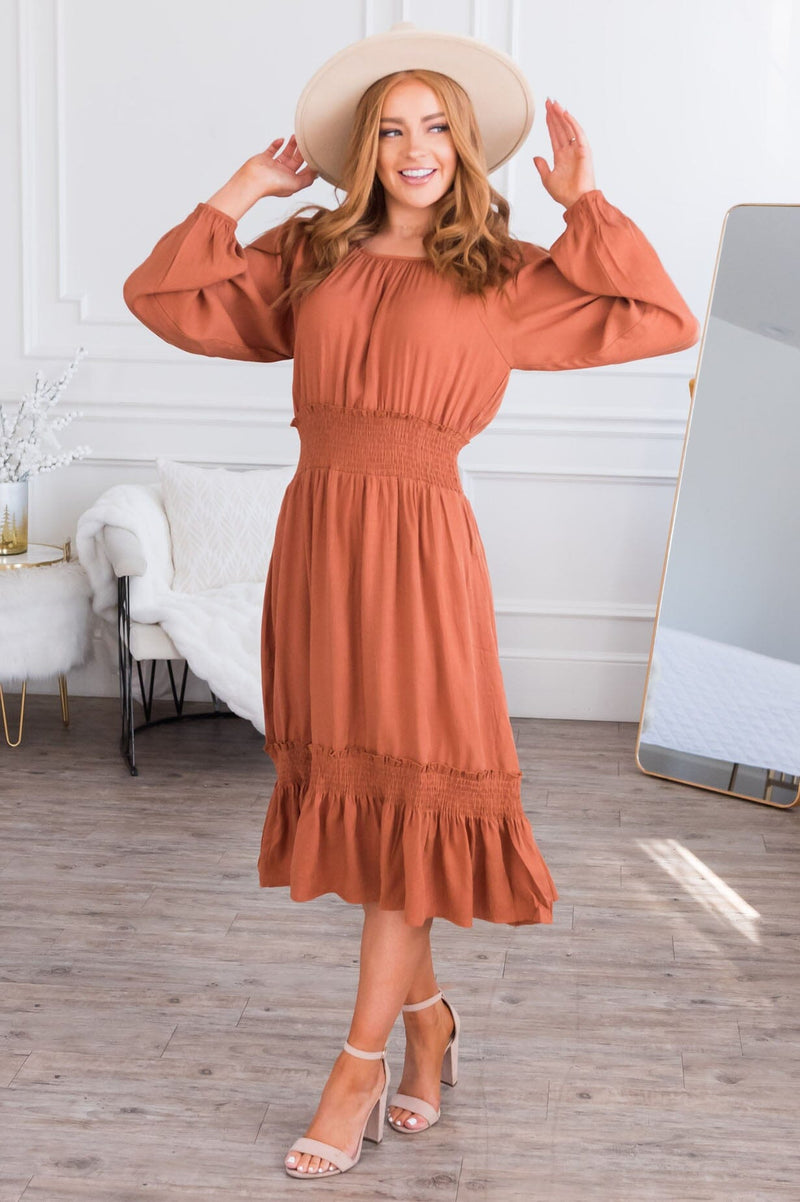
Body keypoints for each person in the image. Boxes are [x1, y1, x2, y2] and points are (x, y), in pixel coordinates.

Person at [123, 23, 700, 1181]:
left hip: (421, 554)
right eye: (390, 129)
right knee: (372, 808)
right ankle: (427, 1022)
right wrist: (242, 189)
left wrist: (585, 206)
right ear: (364, 150)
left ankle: (357, 1065)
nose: (414, 147)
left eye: (435, 126)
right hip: (320, 544)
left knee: (409, 804)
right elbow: (160, 294)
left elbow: (661, 316)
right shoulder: (308, 254)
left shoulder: (503, 271)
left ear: (467, 145)